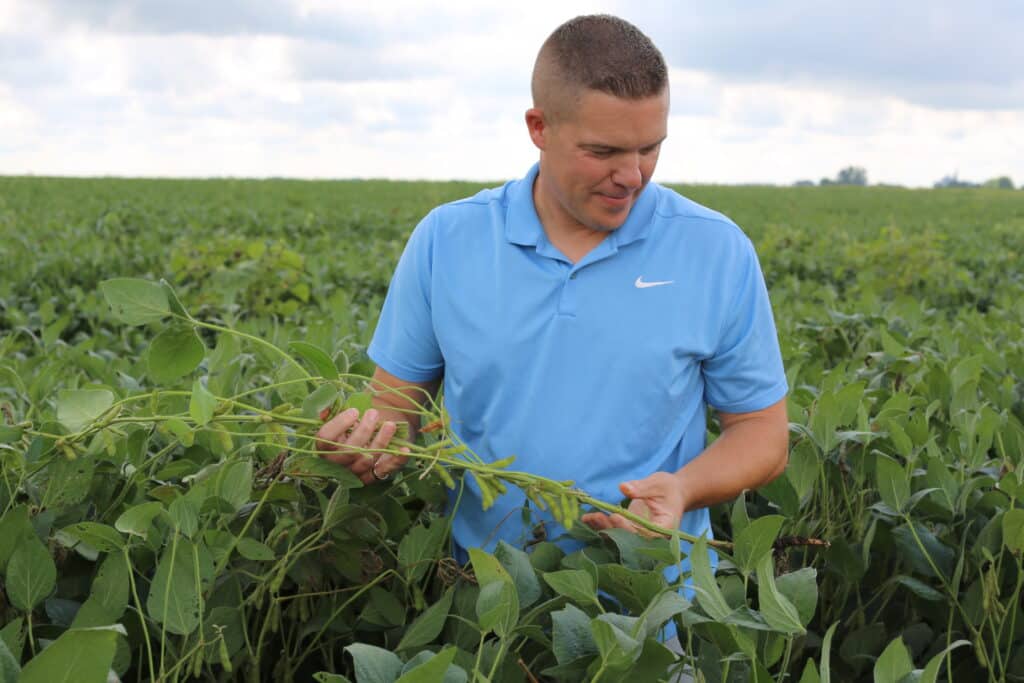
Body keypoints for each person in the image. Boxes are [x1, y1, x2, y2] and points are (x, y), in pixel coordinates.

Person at [317, 12, 788, 643]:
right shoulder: (448, 240)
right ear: (538, 128)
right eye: (603, 152)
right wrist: (366, 446)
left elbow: (762, 433)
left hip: (646, 612)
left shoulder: (715, 250)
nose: (633, 176)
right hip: (486, 608)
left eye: (650, 147)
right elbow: (394, 411)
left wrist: (682, 488)